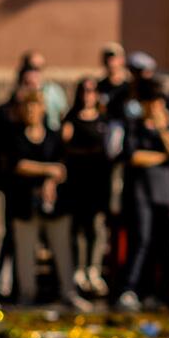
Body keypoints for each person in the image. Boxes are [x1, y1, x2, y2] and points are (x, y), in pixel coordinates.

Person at [0, 90, 83, 307]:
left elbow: (63, 167)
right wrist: (48, 170)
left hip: (55, 204)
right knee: (25, 253)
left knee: (62, 249)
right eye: (27, 106)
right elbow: (18, 164)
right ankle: (26, 294)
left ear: (43, 108)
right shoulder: (14, 136)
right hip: (24, 205)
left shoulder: (54, 137)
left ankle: (68, 292)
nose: (31, 111)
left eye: (35, 105)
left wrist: (50, 180)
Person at [118, 98, 169, 308]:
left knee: (163, 244)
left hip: (164, 195)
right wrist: (163, 158)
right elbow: (134, 156)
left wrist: (163, 129)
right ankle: (129, 288)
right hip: (141, 193)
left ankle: (157, 292)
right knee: (141, 239)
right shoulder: (135, 128)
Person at [59, 76, 114, 296]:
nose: (87, 95)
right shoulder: (71, 119)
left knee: (97, 228)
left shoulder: (104, 120)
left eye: (92, 91)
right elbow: (63, 148)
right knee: (78, 228)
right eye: (84, 91)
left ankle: (94, 269)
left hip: (98, 182)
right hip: (76, 182)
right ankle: (79, 269)